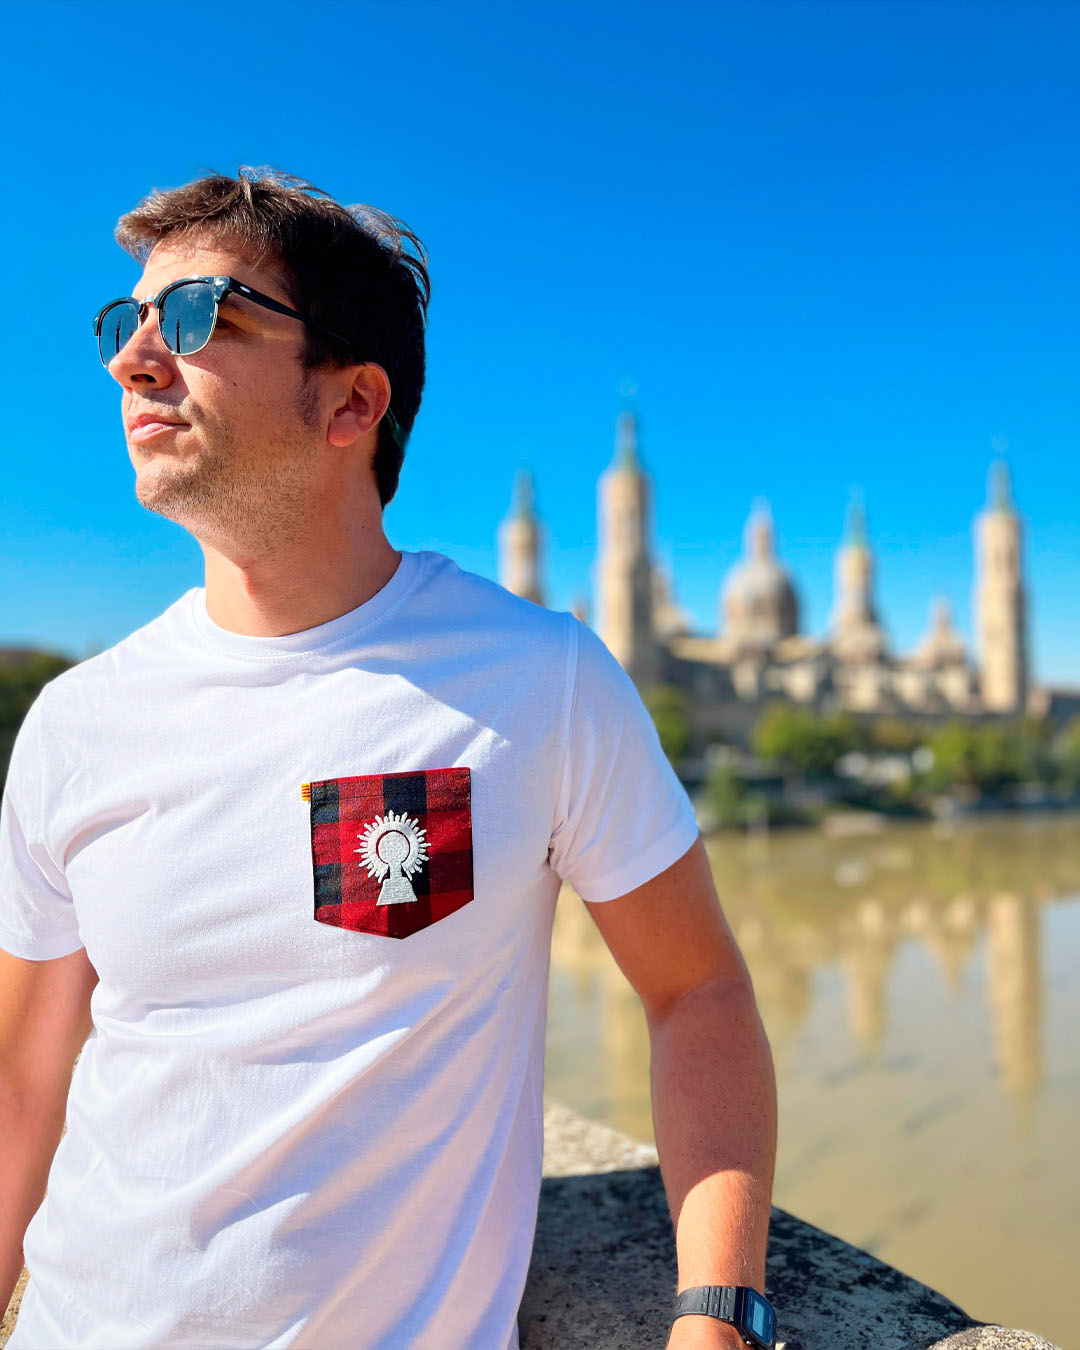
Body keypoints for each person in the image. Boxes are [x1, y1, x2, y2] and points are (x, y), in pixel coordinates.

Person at [0, 169, 777, 1350]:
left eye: (198, 316)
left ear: (352, 402)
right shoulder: (75, 722)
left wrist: (717, 1317)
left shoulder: (541, 682)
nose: (136, 361)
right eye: (127, 322)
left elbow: (698, 993)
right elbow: (21, 1084)